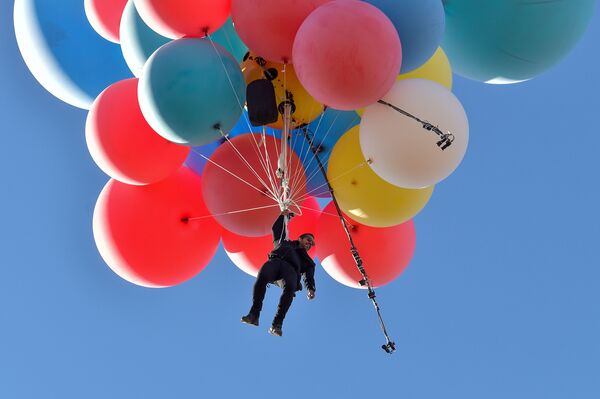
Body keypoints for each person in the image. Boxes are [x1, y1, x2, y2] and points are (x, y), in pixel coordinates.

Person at [241, 211, 316, 336]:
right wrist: (283, 216)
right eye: (308, 240)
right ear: (300, 239)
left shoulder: (308, 261)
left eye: (311, 244)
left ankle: (277, 324)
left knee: (291, 288)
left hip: (291, 271)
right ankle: (254, 314)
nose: (309, 244)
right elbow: (277, 228)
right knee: (262, 276)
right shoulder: (284, 242)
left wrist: (311, 289)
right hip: (276, 262)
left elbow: (309, 276)